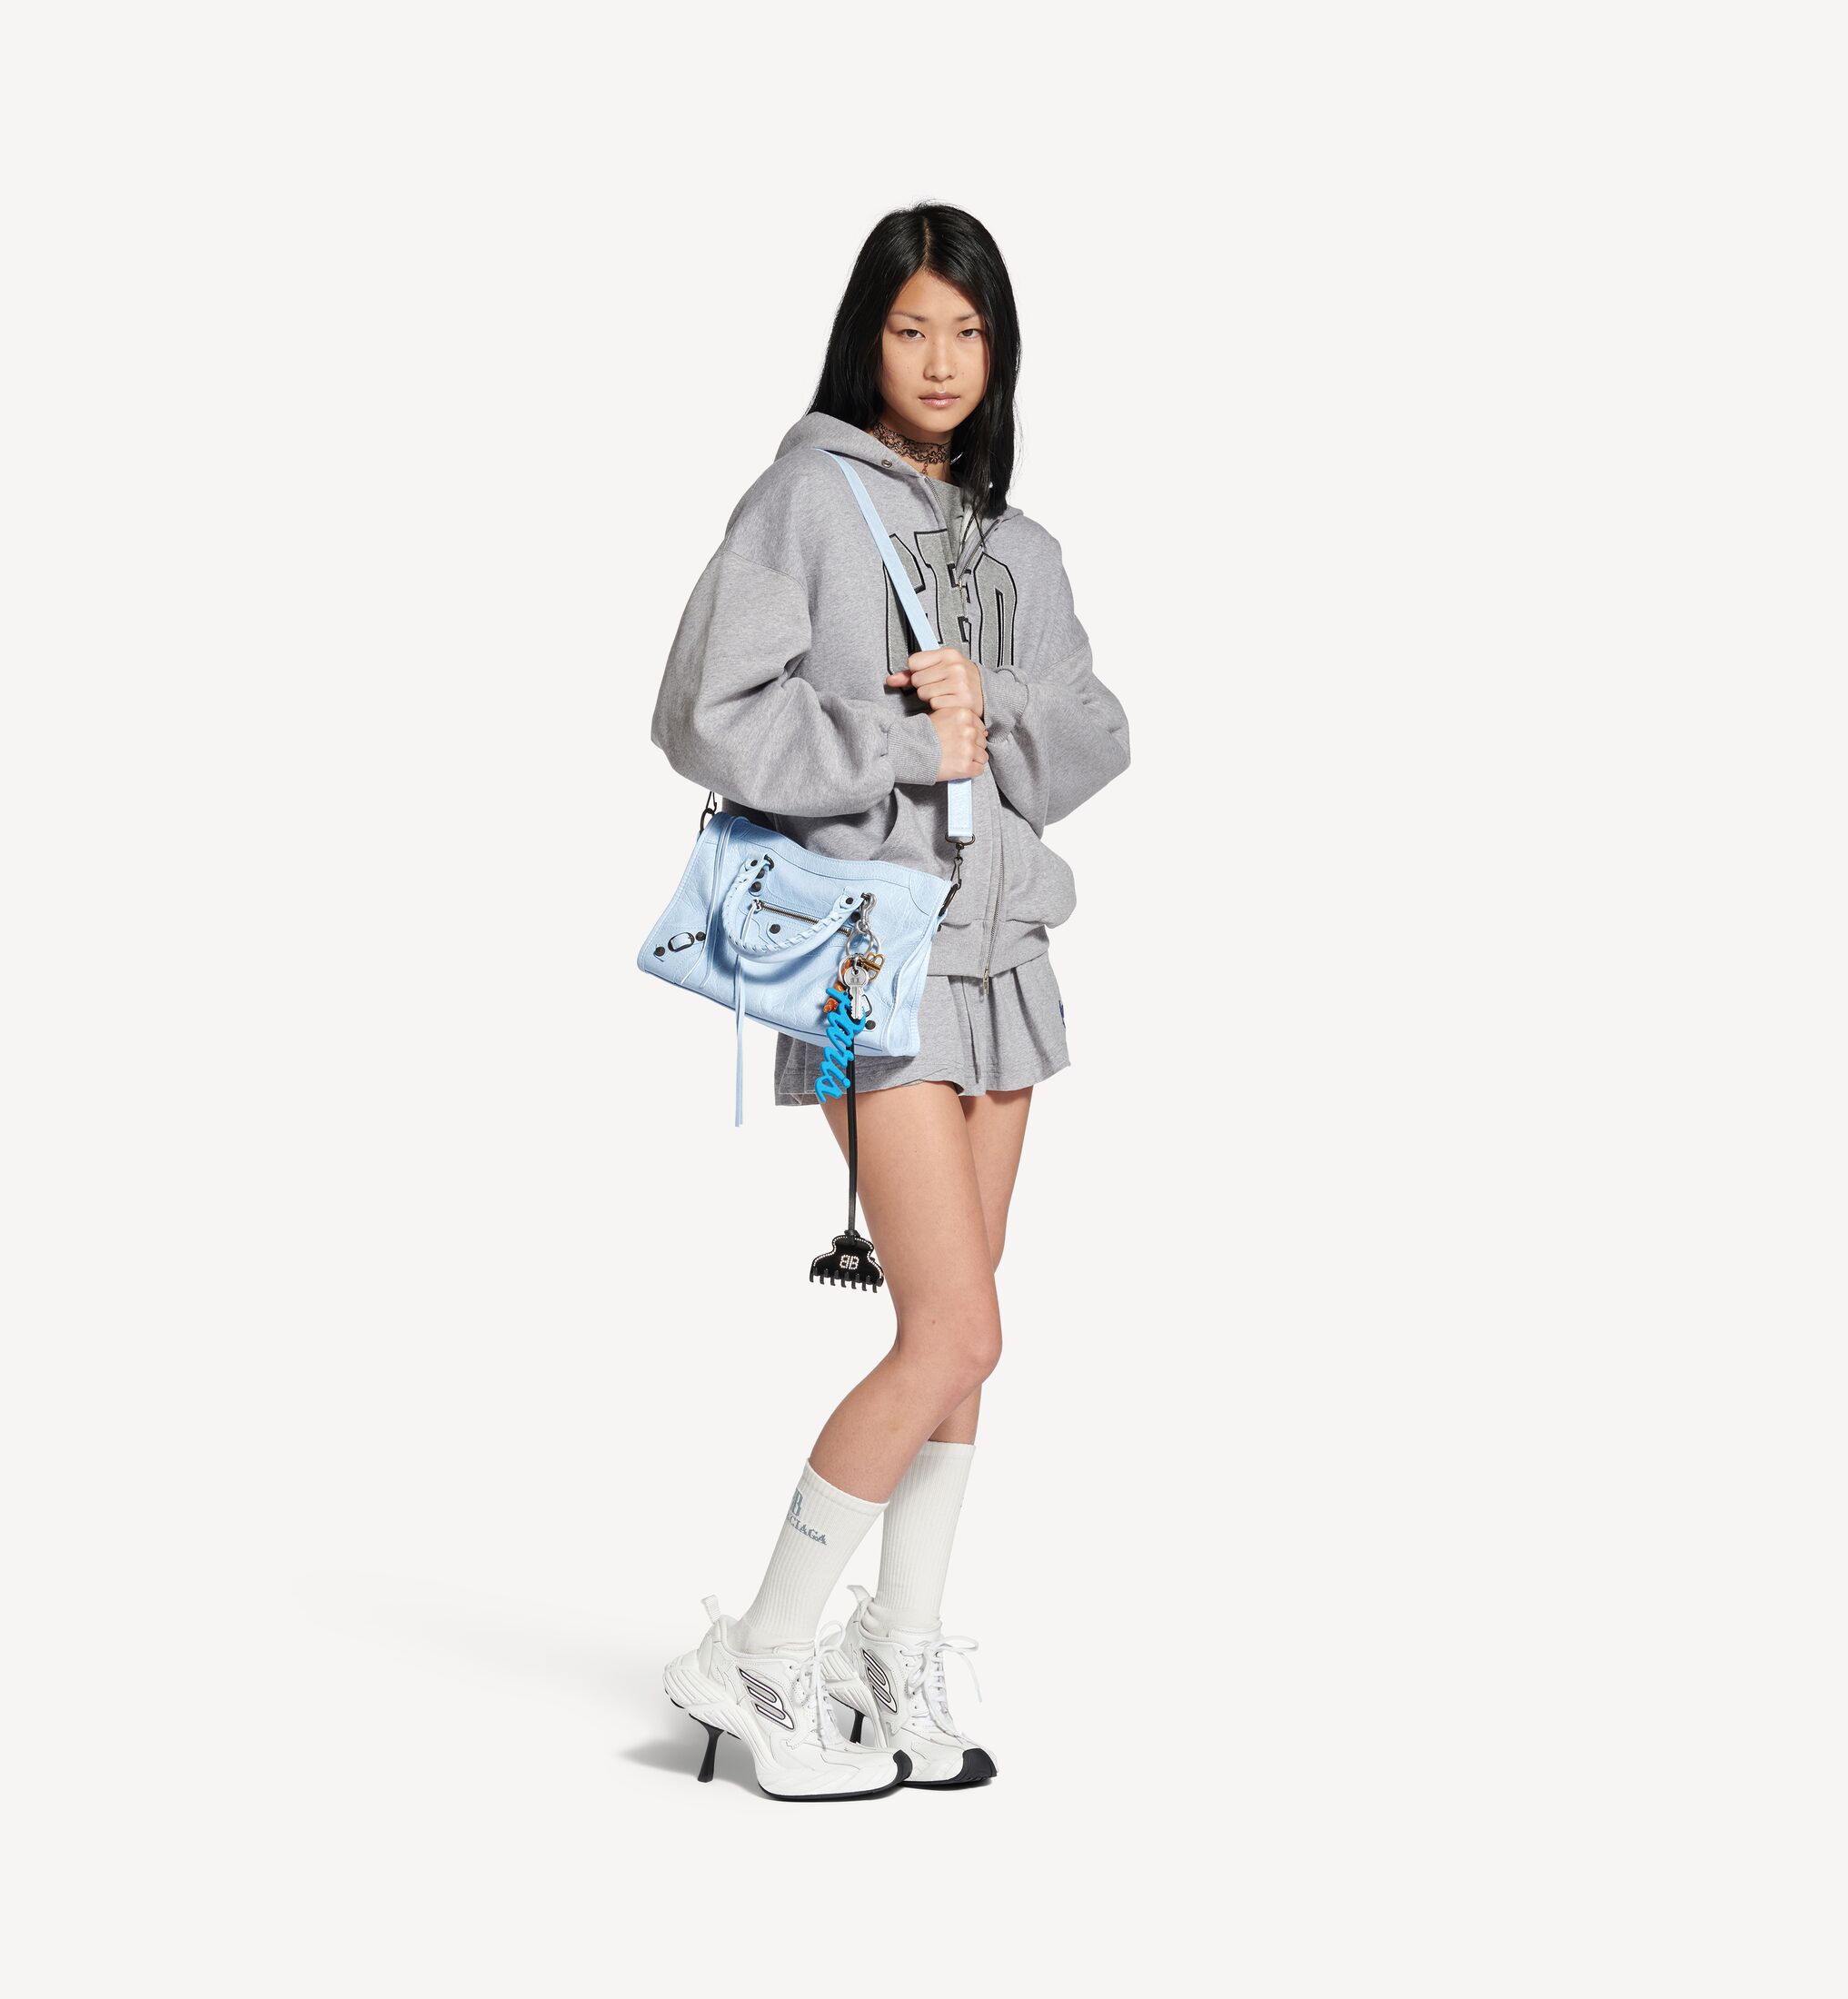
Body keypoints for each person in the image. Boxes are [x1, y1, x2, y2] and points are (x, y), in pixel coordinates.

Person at [648, 204, 1132, 1800]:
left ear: (999, 353)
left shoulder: (1022, 546)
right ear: (869, 336)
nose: (938, 361)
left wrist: (997, 702)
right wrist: (909, 742)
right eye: (912, 327)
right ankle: (761, 1652)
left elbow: (1097, 734)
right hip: (872, 956)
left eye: (967, 333)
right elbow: (702, 713)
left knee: (963, 1345)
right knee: (956, 1327)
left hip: (1006, 962)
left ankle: (896, 1647)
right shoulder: (806, 500)